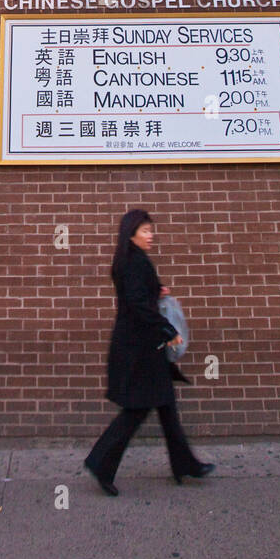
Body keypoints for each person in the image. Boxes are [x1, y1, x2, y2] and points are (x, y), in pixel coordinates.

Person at [84, 208, 214, 495]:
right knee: (137, 409)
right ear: (131, 233)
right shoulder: (134, 262)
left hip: (140, 347)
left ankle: (184, 464)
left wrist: (157, 292)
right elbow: (138, 306)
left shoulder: (131, 260)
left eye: (150, 230)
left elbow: (139, 298)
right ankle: (101, 462)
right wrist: (168, 331)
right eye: (145, 230)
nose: (150, 235)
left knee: (165, 404)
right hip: (140, 349)